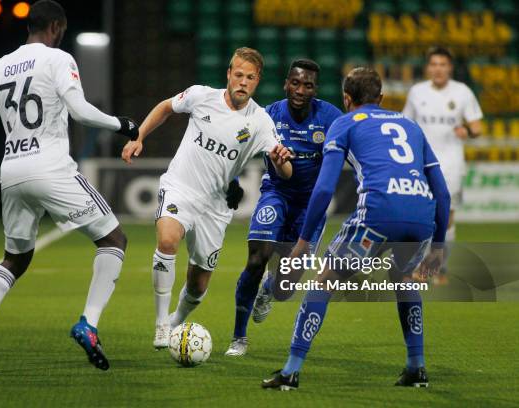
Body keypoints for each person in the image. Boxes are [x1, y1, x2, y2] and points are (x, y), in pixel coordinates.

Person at [0, 0, 139, 374]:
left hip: (11, 172)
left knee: (16, 258)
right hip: (51, 167)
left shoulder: (0, 66)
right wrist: (120, 124)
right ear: (56, 26)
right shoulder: (58, 59)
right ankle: (88, 324)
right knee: (114, 240)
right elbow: (79, 110)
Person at [261, 67, 450, 390]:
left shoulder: (344, 123)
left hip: (377, 214)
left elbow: (323, 189)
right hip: (421, 216)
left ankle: (291, 372)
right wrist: (439, 246)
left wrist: (304, 241)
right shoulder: (411, 125)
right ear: (382, 98)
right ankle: (416, 367)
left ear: (347, 99)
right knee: (403, 280)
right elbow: (442, 192)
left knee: (323, 283)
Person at [121, 47, 293, 349]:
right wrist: (139, 137)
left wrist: (281, 160)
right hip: (180, 188)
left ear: (257, 82)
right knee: (167, 241)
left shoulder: (260, 121)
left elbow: (287, 171)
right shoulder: (202, 96)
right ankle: (162, 324)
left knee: (198, 286)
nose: (242, 81)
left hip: (215, 206)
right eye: (238, 74)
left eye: (250, 77)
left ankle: (176, 321)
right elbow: (165, 107)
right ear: (228, 74)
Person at [225, 59, 342, 357]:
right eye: (295, 83)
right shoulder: (268, 115)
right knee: (256, 259)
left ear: (316, 89)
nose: (300, 90)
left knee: (285, 288)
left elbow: (355, 150)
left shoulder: (330, 118)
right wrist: (233, 181)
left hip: (311, 205)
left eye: (308, 85)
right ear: (286, 83)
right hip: (276, 193)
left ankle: (271, 288)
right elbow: (237, 148)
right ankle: (239, 337)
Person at [403, 46, 483, 284]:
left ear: (450, 68)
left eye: (443, 64)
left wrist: (466, 129)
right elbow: (407, 124)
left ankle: (436, 269)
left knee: (446, 217)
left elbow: (478, 128)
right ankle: (417, 265)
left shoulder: (463, 92)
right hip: (422, 164)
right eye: (434, 64)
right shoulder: (417, 92)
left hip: (451, 163)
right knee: (419, 215)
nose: (438, 69)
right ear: (428, 68)